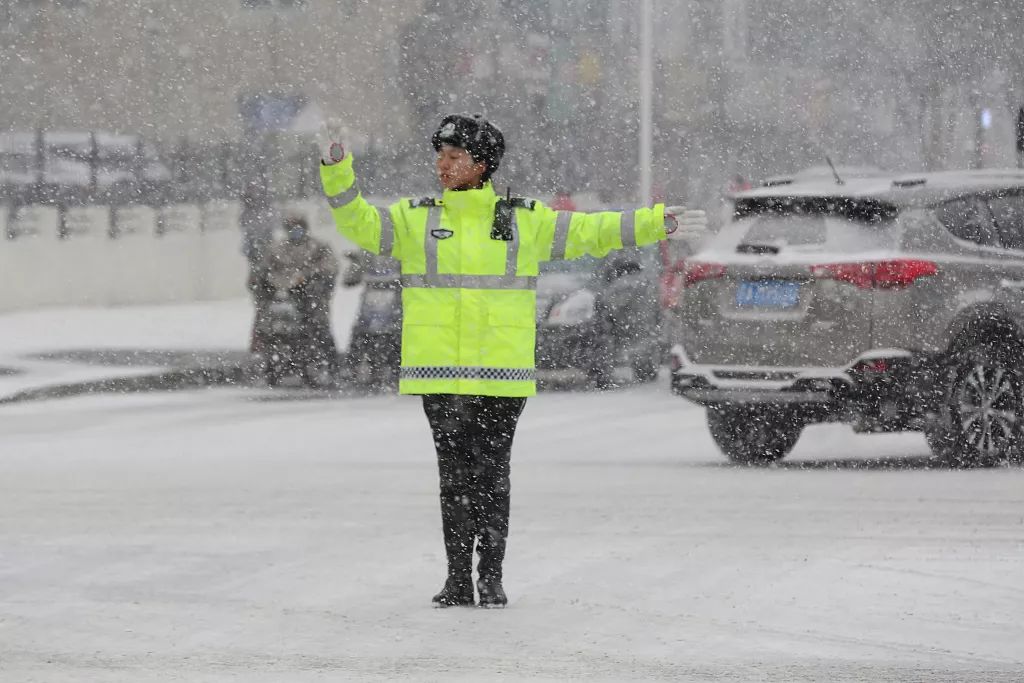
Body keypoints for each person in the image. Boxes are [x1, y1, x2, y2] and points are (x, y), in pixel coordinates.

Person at [318, 113, 706, 608]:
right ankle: (457, 579)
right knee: (453, 478)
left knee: (492, 474)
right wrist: (337, 168)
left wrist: (657, 222)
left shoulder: (524, 219)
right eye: (439, 154)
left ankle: (491, 578)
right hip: (438, 373)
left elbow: (591, 232)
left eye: (454, 156)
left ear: (482, 165)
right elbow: (358, 223)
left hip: (502, 374)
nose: (442, 164)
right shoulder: (417, 218)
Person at [263, 215, 341, 379]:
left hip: (311, 296)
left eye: (297, 228)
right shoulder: (278, 248)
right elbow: (267, 269)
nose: (294, 232)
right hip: (285, 295)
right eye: (291, 229)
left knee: (319, 327)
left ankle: (332, 365)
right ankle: (272, 363)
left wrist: (310, 277)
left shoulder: (318, 247)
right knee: (269, 327)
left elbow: (330, 267)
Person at [240, 181, 276, 354]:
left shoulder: (258, 218)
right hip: (263, 278)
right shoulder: (251, 218)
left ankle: (261, 342)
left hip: (268, 277)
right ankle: (261, 342)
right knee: (263, 310)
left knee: (263, 311)